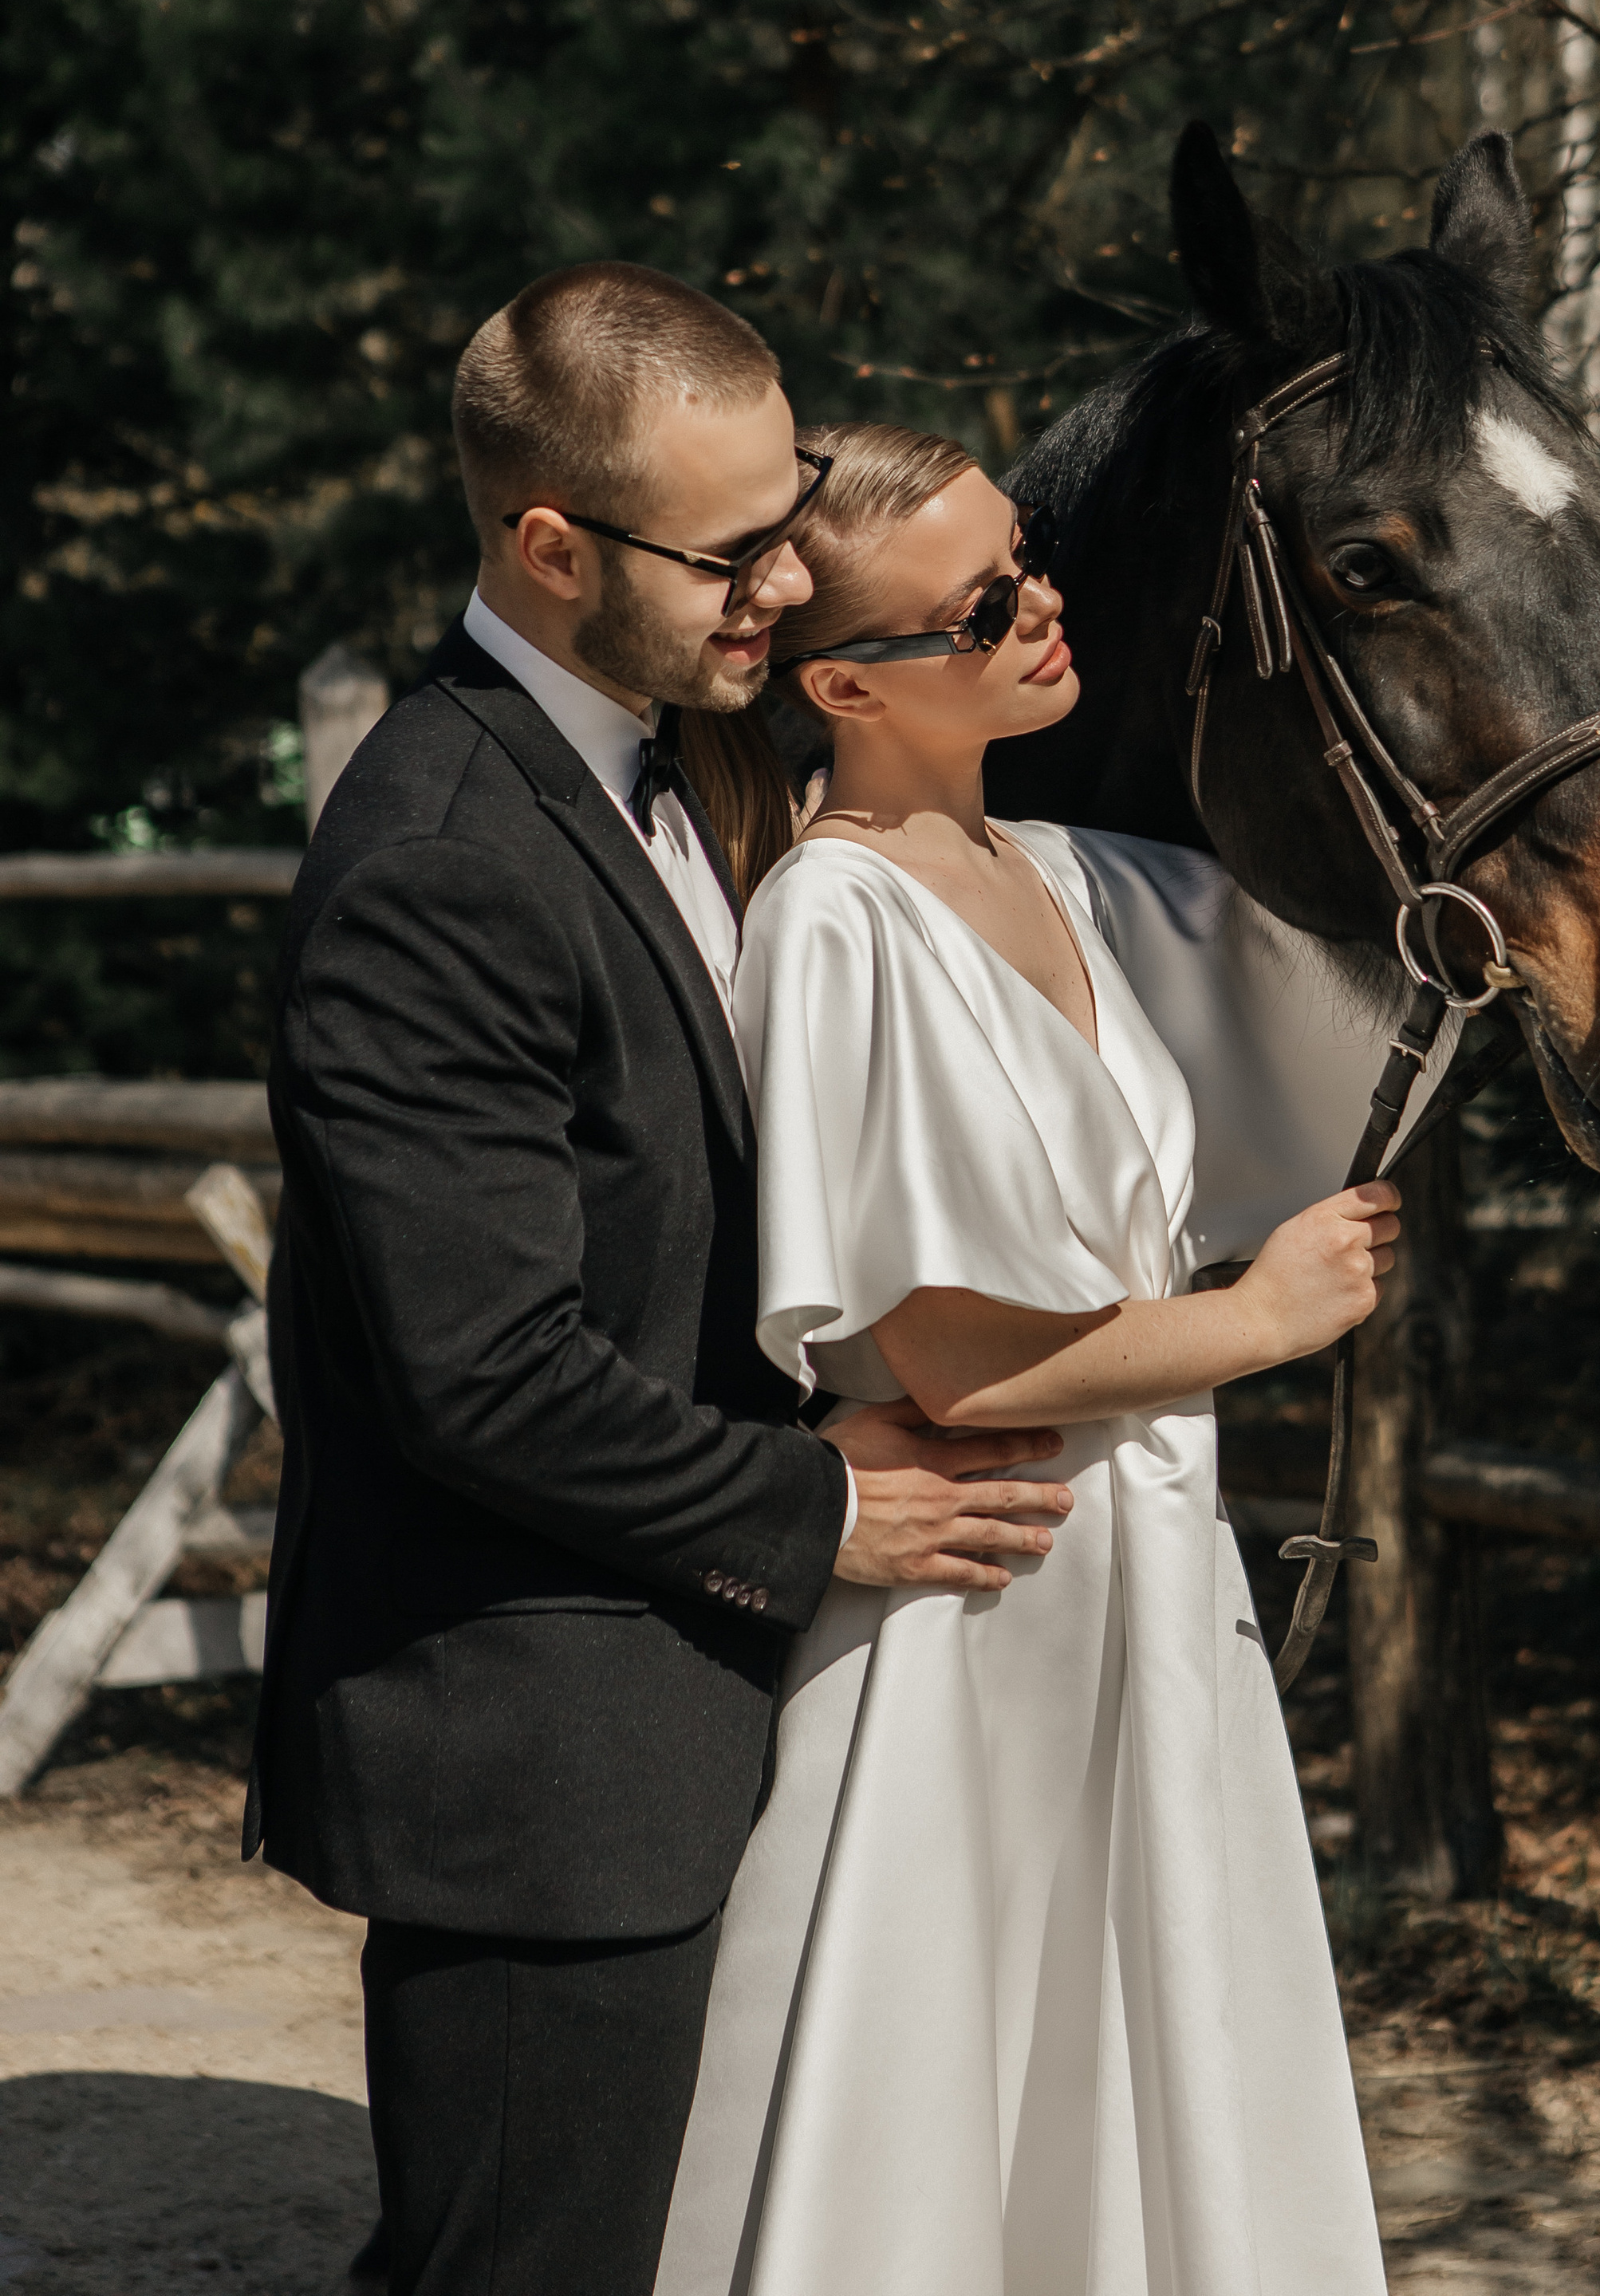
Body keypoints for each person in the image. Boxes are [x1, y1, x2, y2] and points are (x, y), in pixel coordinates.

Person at [249, 273, 1073, 2296]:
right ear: (546, 548)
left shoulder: (681, 762)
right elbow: (483, 1369)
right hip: (547, 1749)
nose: (784, 579)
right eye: (731, 549)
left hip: (694, 1708)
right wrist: (831, 1508)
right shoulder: (447, 853)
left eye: (788, 506)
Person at [660, 423, 1401, 2296]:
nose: (1040, 610)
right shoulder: (834, 924)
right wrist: (1256, 1319)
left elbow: (1369, 952)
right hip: (979, 1609)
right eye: (983, 605)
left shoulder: (1061, 872)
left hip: (1142, 1578)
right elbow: (945, 1355)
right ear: (839, 683)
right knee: (945, 2109)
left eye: (1032, 565)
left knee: (1138, 2089)